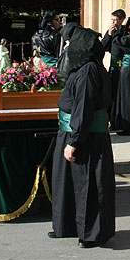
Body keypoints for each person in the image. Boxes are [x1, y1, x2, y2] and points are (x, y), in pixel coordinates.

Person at [48, 27, 115, 248]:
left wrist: (74, 141)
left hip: (85, 136)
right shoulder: (87, 68)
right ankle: (67, 225)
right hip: (74, 131)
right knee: (67, 182)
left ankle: (90, 233)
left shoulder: (88, 71)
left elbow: (84, 109)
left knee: (87, 185)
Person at [102, 9, 127, 130]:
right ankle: (110, 120)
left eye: (116, 20)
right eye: (112, 20)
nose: (114, 23)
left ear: (122, 20)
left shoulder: (125, 32)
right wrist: (109, 34)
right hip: (113, 67)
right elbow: (103, 47)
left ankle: (118, 121)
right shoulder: (111, 32)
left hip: (123, 67)